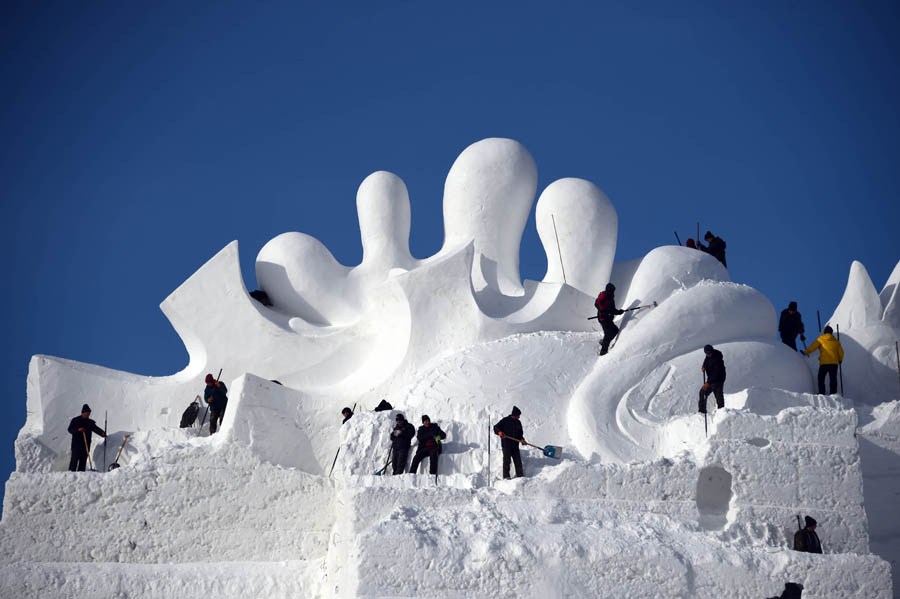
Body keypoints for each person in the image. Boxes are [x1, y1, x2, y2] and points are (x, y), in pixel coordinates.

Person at [803, 326, 844, 395]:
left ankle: (822, 392)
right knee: (833, 379)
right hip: (834, 363)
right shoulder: (836, 341)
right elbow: (841, 352)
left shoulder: (821, 339)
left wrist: (806, 352)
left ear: (824, 332)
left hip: (824, 363)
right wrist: (840, 359)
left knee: (821, 378)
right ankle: (833, 393)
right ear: (831, 333)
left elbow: (813, 347)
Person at [67, 403, 106, 471]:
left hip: (86, 445)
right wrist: (78, 429)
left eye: (89, 413)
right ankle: (71, 475)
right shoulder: (75, 420)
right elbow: (70, 429)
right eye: (87, 413)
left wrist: (102, 433)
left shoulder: (90, 422)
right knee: (74, 461)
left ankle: (81, 476)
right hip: (76, 445)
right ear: (83, 412)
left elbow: (95, 429)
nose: (88, 414)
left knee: (83, 462)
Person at [493, 406, 526, 479]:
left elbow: (520, 434)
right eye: (518, 416)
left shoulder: (518, 423)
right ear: (514, 415)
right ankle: (506, 478)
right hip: (506, 445)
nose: (519, 417)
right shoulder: (505, 421)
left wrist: (522, 440)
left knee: (518, 462)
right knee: (507, 462)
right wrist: (499, 432)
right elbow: (495, 427)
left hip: (515, 446)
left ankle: (520, 477)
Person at [595, 283, 625, 356]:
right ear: (608, 290)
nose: (613, 292)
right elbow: (597, 303)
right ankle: (603, 351)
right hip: (603, 319)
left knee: (615, 331)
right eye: (612, 290)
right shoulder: (603, 295)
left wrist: (619, 312)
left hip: (608, 319)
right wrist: (603, 311)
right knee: (608, 333)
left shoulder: (611, 298)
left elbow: (612, 309)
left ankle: (604, 342)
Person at [699, 344, 726, 413]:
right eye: (707, 353)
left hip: (718, 379)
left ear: (712, 351)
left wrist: (708, 383)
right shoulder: (708, 356)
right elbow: (706, 361)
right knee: (702, 392)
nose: (708, 354)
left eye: (710, 353)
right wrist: (704, 366)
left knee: (718, 396)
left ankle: (721, 413)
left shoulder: (717, 359)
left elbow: (716, 374)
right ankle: (702, 411)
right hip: (711, 379)